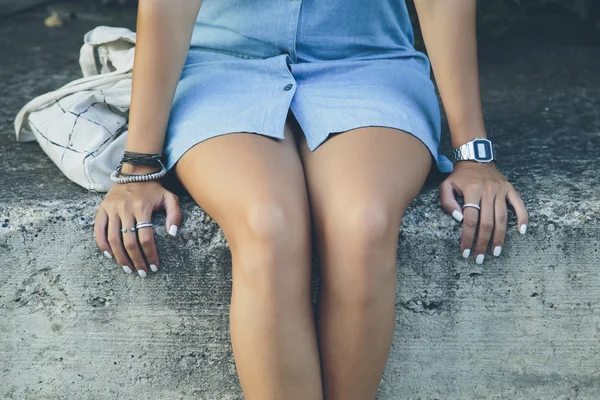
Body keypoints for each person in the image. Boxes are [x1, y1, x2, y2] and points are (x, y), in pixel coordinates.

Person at [94, 0, 529, 398]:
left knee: (365, 222)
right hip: (221, 70)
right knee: (267, 223)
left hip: (369, 65)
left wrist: (473, 154)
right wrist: (139, 165)